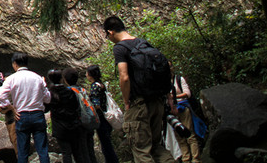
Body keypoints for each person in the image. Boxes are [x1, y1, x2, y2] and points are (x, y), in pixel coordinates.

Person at [103, 16, 175, 163]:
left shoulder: (120, 48)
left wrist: (126, 101)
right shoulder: (143, 43)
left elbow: (124, 76)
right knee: (157, 146)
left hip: (139, 104)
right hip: (157, 102)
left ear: (110, 32)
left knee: (141, 149)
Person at [0, 51, 51, 163]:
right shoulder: (38, 78)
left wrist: (11, 108)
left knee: (22, 152)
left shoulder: (12, 78)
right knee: (43, 151)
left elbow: (0, 95)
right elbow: (48, 98)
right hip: (38, 115)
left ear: (15, 64)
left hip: (21, 115)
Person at [48, 69, 93, 163]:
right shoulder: (70, 92)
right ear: (61, 79)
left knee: (66, 153)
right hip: (73, 126)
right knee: (78, 152)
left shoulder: (50, 94)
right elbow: (76, 107)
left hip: (60, 128)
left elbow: (45, 108)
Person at [85, 64, 120, 163]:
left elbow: (96, 104)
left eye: (87, 73)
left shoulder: (94, 86)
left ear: (91, 74)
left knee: (105, 144)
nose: (86, 75)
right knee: (107, 142)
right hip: (107, 117)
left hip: (101, 118)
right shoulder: (101, 84)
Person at [173, 72, 202, 163]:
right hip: (172, 111)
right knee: (179, 136)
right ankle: (186, 159)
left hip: (183, 109)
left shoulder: (178, 79)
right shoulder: (163, 81)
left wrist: (174, 97)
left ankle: (196, 159)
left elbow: (187, 94)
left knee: (189, 134)